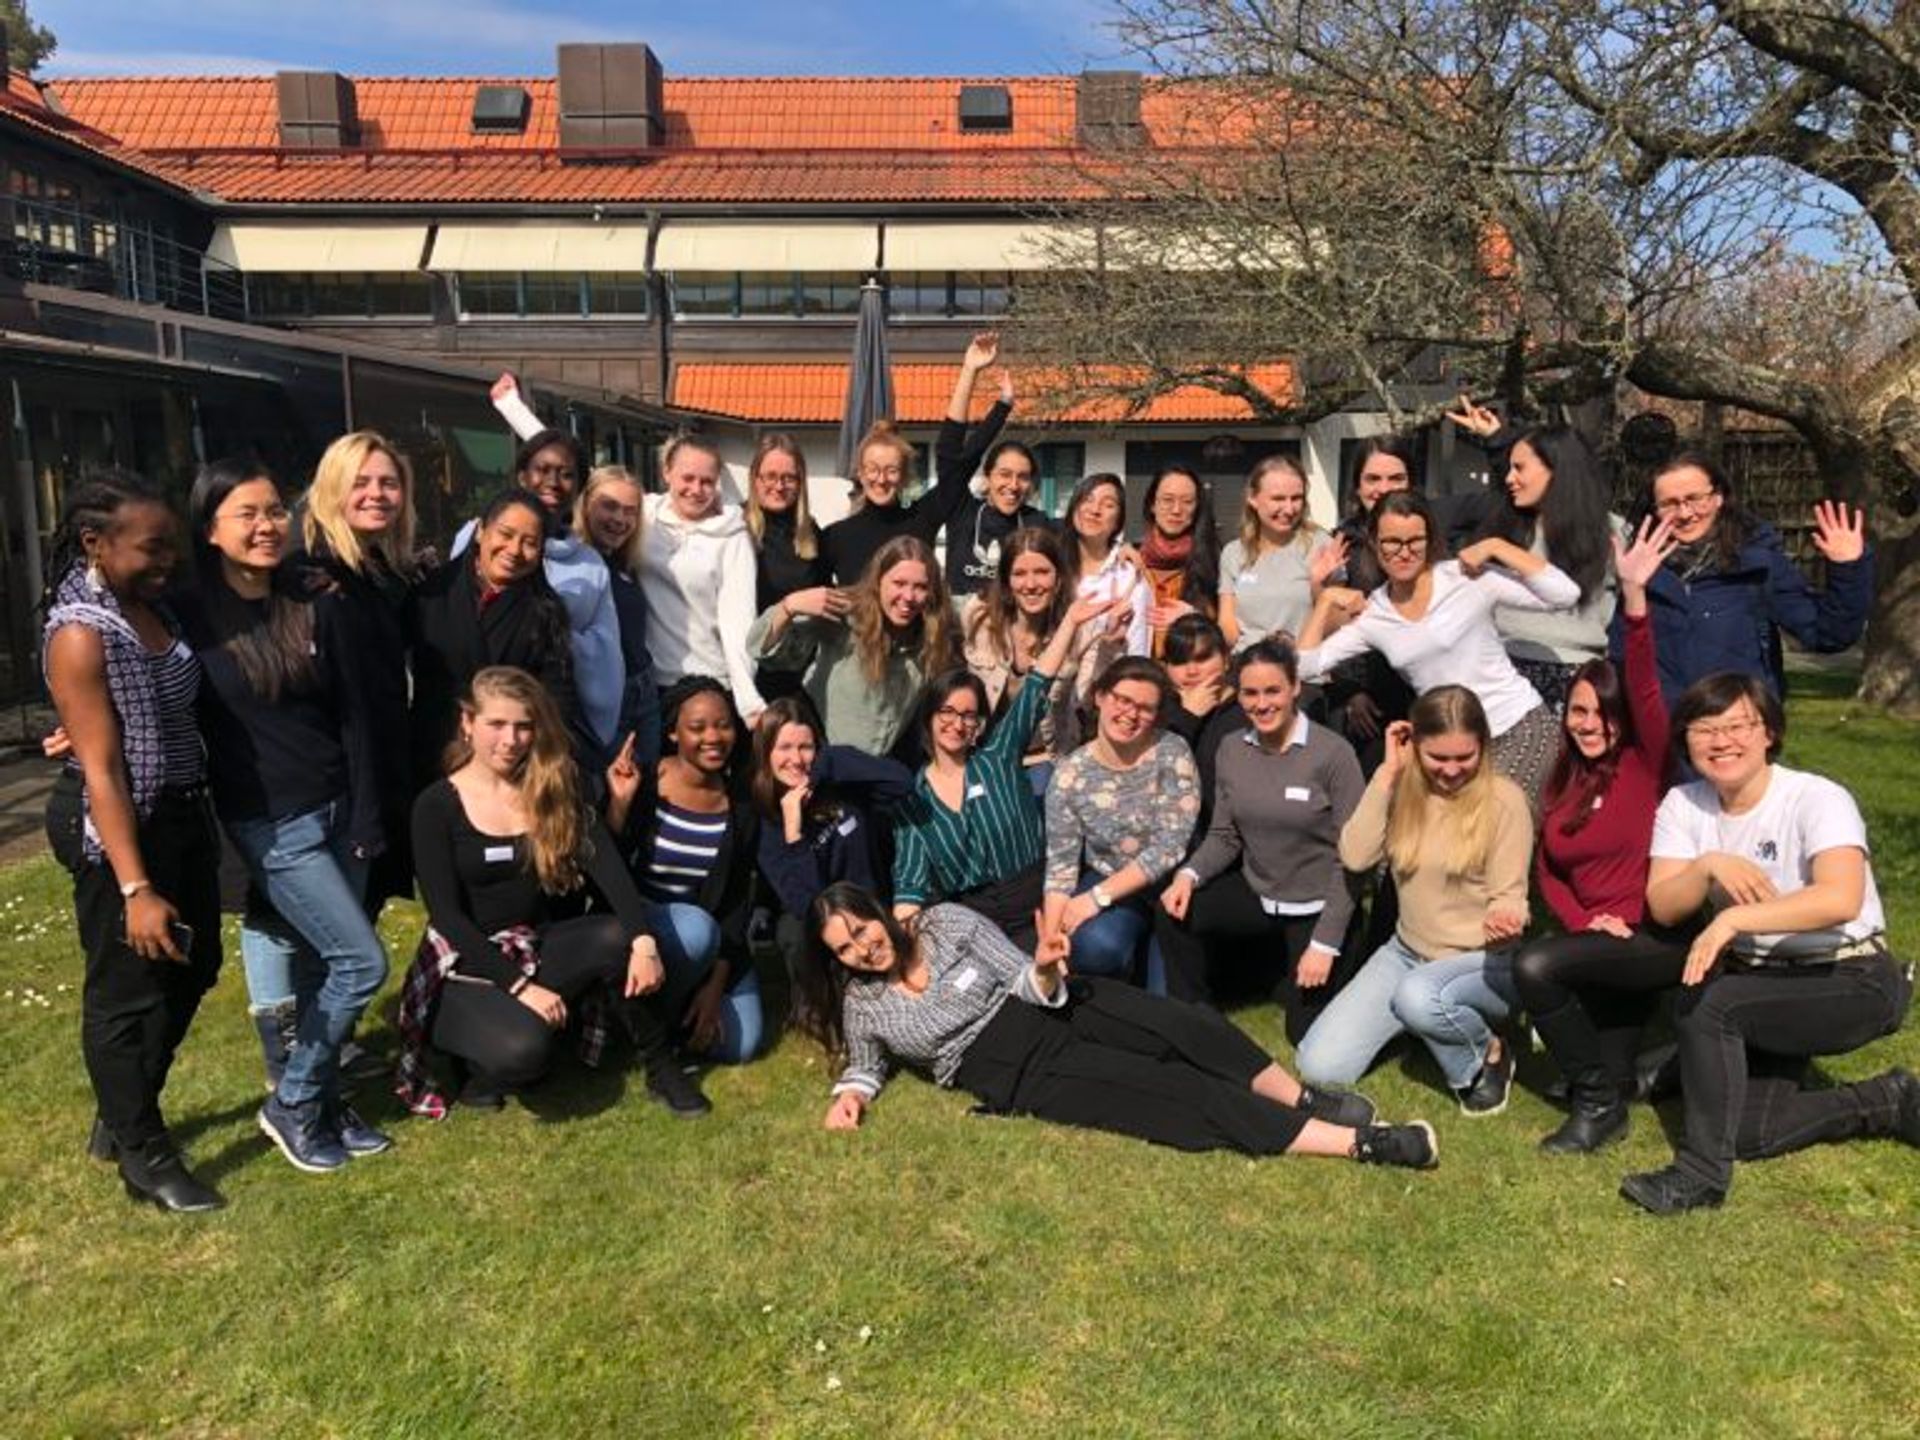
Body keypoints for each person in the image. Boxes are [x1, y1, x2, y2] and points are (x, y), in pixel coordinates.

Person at [798, 885, 1437, 1168]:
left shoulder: (943, 924)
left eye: (861, 930)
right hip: (1017, 1071)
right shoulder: (863, 1003)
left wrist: (1046, 969)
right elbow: (866, 1062)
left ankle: (1301, 1097)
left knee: (1184, 1025)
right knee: (1174, 1094)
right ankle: (1361, 1145)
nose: (863, 949)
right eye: (846, 949)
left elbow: (1022, 978)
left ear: (877, 912)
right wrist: (850, 1097)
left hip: (1053, 1001)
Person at [1619, 672, 1917, 1214]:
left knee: (1711, 1004)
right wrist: (1708, 864)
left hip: (1851, 976)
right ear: (1686, 740)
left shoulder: (1816, 796)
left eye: (1737, 725)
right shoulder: (1685, 805)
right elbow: (1663, 903)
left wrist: (1735, 921)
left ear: (1769, 733)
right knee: (1749, 1132)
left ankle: (1700, 1176)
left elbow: (1840, 898)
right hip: (1768, 983)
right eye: (1704, 728)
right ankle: (1886, 1100)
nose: (1721, 741)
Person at [177, 460, 390, 1173]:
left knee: (317, 973)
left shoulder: (311, 598)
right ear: (210, 529)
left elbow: (354, 716)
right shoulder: (187, 616)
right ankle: (294, 1100)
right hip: (273, 826)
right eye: (248, 514)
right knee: (361, 965)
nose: (268, 526)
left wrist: (365, 817)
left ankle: (325, 1103)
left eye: (275, 511)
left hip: (338, 811)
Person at [398, 667, 709, 1118]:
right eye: (496, 725)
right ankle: (479, 1065)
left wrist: (644, 941)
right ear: (468, 723)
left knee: (618, 936)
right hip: (465, 965)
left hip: (534, 943)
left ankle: (662, 1067)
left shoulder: (549, 788)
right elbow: (448, 918)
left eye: (524, 726)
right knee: (525, 1052)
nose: (511, 739)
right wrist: (522, 988)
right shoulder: (435, 806)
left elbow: (606, 863)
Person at [42, 470, 225, 1212]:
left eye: (171, 547)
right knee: (124, 995)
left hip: (180, 812)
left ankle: (123, 1110)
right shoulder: (83, 633)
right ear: (96, 543)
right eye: (152, 549)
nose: (167, 561)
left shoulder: (148, 604)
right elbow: (105, 770)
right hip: (116, 827)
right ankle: (144, 1154)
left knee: (197, 961)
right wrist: (134, 887)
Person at [1512, 519, 1693, 1153]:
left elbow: (1643, 686)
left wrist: (1635, 603)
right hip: (1602, 939)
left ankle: (1595, 1108)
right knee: (1616, 1069)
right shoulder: (1562, 780)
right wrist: (1586, 921)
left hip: (1653, 936)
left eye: (1601, 712)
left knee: (1534, 965)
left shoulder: (1647, 766)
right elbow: (1548, 872)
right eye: (1578, 710)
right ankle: (1633, 1078)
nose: (1589, 723)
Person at [1293, 686, 1534, 1115]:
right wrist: (1387, 775)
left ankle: (1489, 1055)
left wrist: (1507, 915)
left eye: (1465, 757)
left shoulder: (1505, 802)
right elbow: (1354, 855)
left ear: (1483, 745)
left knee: (1417, 997)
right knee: (1319, 1065)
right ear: (1414, 745)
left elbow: (1510, 893)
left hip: (1481, 962)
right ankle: (1433, 1024)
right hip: (1406, 954)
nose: (1452, 770)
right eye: (1437, 757)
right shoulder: (1402, 790)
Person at [1296, 490, 1577, 808]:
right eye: (1392, 542)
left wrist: (1497, 546)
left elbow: (1565, 594)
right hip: (1449, 751)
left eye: (1415, 541)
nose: (1404, 552)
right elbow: (1305, 667)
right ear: (1374, 543)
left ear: (1429, 540)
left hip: (1516, 727)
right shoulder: (1374, 614)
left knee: (1497, 826)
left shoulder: (1465, 578)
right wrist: (1326, 600)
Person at [1156, 639, 1367, 1043]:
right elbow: (1224, 835)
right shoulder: (1232, 749)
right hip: (1259, 894)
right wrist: (1189, 875)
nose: (1262, 703)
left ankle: (1302, 966)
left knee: (1304, 1036)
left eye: (1273, 690)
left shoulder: (1332, 754)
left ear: (1295, 690)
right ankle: (1194, 1021)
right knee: (1173, 911)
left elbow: (1354, 859)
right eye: (1250, 693)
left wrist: (1325, 943)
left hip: (1318, 906)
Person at [893, 594, 1113, 952]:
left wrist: (1070, 621)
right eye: (946, 712)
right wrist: (903, 950)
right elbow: (910, 880)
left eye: (968, 715)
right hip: (975, 918)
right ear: (929, 718)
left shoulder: (999, 755)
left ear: (980, 724)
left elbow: (1037, 685)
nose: (957, 724)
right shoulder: (913, 798)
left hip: (1035, 900)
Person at [1623, 452, 1872, 704]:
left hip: (1743, 727)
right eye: (1670, 504)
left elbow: (1829, 635)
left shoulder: (1757, 564)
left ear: (1718, 497)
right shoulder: (1637, 572)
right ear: (1654, 510)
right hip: (1663, 729)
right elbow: (1620, 658)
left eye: (1695, 499)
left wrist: (1848, 569)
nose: (1685, 513)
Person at [604, 677, 764, 1067]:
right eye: (698, 727)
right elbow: (606, 865)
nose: (713, 737)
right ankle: (652, 1026)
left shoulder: (740, 805)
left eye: (723, 725)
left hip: (710, 939)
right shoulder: (644, 782)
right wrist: (619, 808)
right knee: (694, 930)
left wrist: (714, 988)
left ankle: (670, 1017)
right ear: (673, 732)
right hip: (642, 926)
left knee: (741, 1045)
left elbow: (735, 902)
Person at [296, 430, 418, 912]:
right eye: (361, 482)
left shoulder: (379, 570)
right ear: (332, 488)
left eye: (389, 483)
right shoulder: (310, 574)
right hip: (333, 783)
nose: (377, 494)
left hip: (376, 768)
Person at [455, 424, 623, 762]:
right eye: (541, 470)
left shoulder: (589, 562)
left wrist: (551, 633)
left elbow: (605, 646)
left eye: (566, 474)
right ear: (521, 476)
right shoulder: (475, 536)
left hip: (535, 722)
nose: (553, 482)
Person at [749, 698, 913, 1029]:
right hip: (825, 931)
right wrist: (794, 834)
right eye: (784, 748)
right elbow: (804, 903)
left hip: (873, 909)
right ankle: (820, 1004)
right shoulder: (767, 823)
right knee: (792, 931)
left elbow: (902, 782)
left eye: (806, 747)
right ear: (766, 754)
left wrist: (827, 764)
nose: (795, 759)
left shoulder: (841, 784)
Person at [1042, 657, 1201, 990]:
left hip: (1172, 887)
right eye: (1122, 700)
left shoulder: (1173, 751)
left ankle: (1150, 960)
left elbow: (1170, 848)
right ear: (1100, 697)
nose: (1130, 714)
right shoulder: (1070, 774)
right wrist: (1052, 940)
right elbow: (1061, 868)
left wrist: (1095, 899)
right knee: (1095, 947)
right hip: (1110, 877)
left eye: (1145, 708)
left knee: (1169, 1009)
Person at [409, 491, 580, 791]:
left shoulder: (547, 611)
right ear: (480, 532)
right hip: (434, 754)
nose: (514, 550)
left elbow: (557, 697)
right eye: (505, 534)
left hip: (509, 761)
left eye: (530, 543)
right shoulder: (432, 592)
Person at [747, 534, 957, 757]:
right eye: (899, 583)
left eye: (920, 587)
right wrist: (789, 607)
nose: (908, 596)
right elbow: (764, 650)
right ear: (878, 580)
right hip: (822, 752)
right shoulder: (845, 613)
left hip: (879, 764)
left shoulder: (934, 634)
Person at [1463, 426, 1623, 711]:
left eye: (1519, 468)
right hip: (1502, 671)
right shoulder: (1505, 527)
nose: (1510, 478)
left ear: (1556, 468)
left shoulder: (1611, 533)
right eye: (1509, 468)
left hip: (1579, 678)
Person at [820, 350, 1000, 584]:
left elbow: (956, 462)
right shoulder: (835, 536)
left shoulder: (921, 518)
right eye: (873, 469)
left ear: (904, 476)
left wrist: (969, 372)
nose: (881, 479)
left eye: (891, 470)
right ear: (860, 474)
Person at [639, 434, 767, 726]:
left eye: (707, 481)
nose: (696, 490)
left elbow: (737, 621)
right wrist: (512, 407)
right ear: (666, 473)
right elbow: (590, 485)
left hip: (708, 686)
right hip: (650, 685)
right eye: (688, 478)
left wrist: (747, 699)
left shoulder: (732, 537)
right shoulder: (644, 514)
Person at [959, 526, 1098, 789]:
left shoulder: (1079, 628)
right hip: (985, 750)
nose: (1031, 584)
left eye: (1042, 572)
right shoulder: (978, 616)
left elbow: (1089, 699)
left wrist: (1114, 643)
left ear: (1058, 579)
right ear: (1007, 582)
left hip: (1045, 756)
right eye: (1020, 574)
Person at [1323, 436, 1418, 765]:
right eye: (1373, 478)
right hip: (1366, 701)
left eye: (1396, 478)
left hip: (1425, 690)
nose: (1384, 488)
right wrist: (1350, 690)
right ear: (1357, 485)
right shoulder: (1342, 543)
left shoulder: (1432, 534)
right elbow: (1332, 624)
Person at [937, 332, 1045, 598]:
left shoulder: (1038, 525)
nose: (1013, 485)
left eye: (1023, 477)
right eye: (1004, 474)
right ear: (987, 478)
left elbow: (1088, 536)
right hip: (961, 634)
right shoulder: (963, 512)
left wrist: (1122, 548)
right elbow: (950, 453)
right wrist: (972, 374)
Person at [574, 464, 662, 765]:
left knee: (646, 788)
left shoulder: (624, 563)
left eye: (630, 511)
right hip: (605, 699)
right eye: (609, 506)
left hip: (644, 691)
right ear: (585, 504)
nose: (620, 519)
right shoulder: (574, 565)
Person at [743, 433, 834, 704]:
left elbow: (826, 595)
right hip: (750, 671)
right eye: (770, 476)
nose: (779, 486)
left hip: (798, 674)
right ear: (755, 479)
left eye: (789, 478)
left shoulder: (810, 534)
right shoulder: (736, 529)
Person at [1218, 454, 1342, 653]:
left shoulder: (1322, 546)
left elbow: (1335, 626)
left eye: (1296, 498)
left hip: (1302, 670)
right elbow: (1229, 630)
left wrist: (1318, 586)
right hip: (1247, 667)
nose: (1289, 508)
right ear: (1252, 498)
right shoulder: (1233, 553)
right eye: (1278, 498)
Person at [1059, 471, 1153, 698]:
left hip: (1099, 696)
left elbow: (1138, 654)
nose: (1094, 509)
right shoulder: (1051, 567)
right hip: (1047, 693)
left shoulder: (1128, 578)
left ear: (1118, 521)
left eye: (1108, 504)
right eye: (1087, 499)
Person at [1139, 465, 1222, 656]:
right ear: (1152, 504)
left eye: (1187, 502)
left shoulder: (1215, 562)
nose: (1176, 510)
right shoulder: (1130, 561)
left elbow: (1229, 632)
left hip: (1190, 676)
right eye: (1168, 500)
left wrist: (1195, 618)